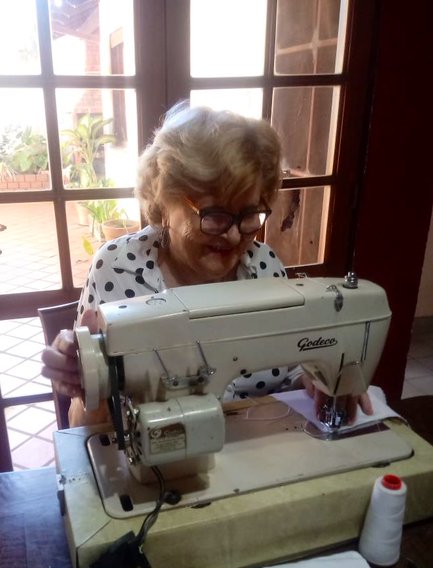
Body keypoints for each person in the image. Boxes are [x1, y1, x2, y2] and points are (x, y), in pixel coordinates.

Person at [41, 102, 372, 427]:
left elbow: (289, 368)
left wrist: (314, 381)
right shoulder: (117, 270)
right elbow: (82, 426)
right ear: (163, 201)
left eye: (248, 215)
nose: (232, 235)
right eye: (214, 215)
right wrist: (85, 384)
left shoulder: (265, 268)